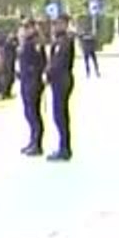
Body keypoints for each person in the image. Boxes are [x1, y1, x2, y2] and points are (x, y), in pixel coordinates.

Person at [46, 15, 75, 162]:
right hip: (59, 81)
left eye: (57, 24)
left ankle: (64, 148)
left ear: (64, 25)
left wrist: (48, 74)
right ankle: (63, 146)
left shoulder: (64, 41)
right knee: (59, 115)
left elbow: (58, 62)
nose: (54, 27)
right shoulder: (59, 41)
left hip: (62, 81)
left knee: (60, 116)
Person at [18, 18, 47, 156]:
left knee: (34, 113)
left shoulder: (35, 43)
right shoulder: (26, 43)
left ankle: (37, 143)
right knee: (28, 113)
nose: (24, 29)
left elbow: (40, 62)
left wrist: (33, 74)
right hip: (26, 80)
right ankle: (32, 140)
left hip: (33, 82)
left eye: (26, 27)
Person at [0, 25, 19, 99]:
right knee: (7, 78)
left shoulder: (10, 42)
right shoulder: (8, 44)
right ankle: (4, 93)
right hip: (7, 62)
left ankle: (6, 93)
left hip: (9, 62)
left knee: (10, 78)